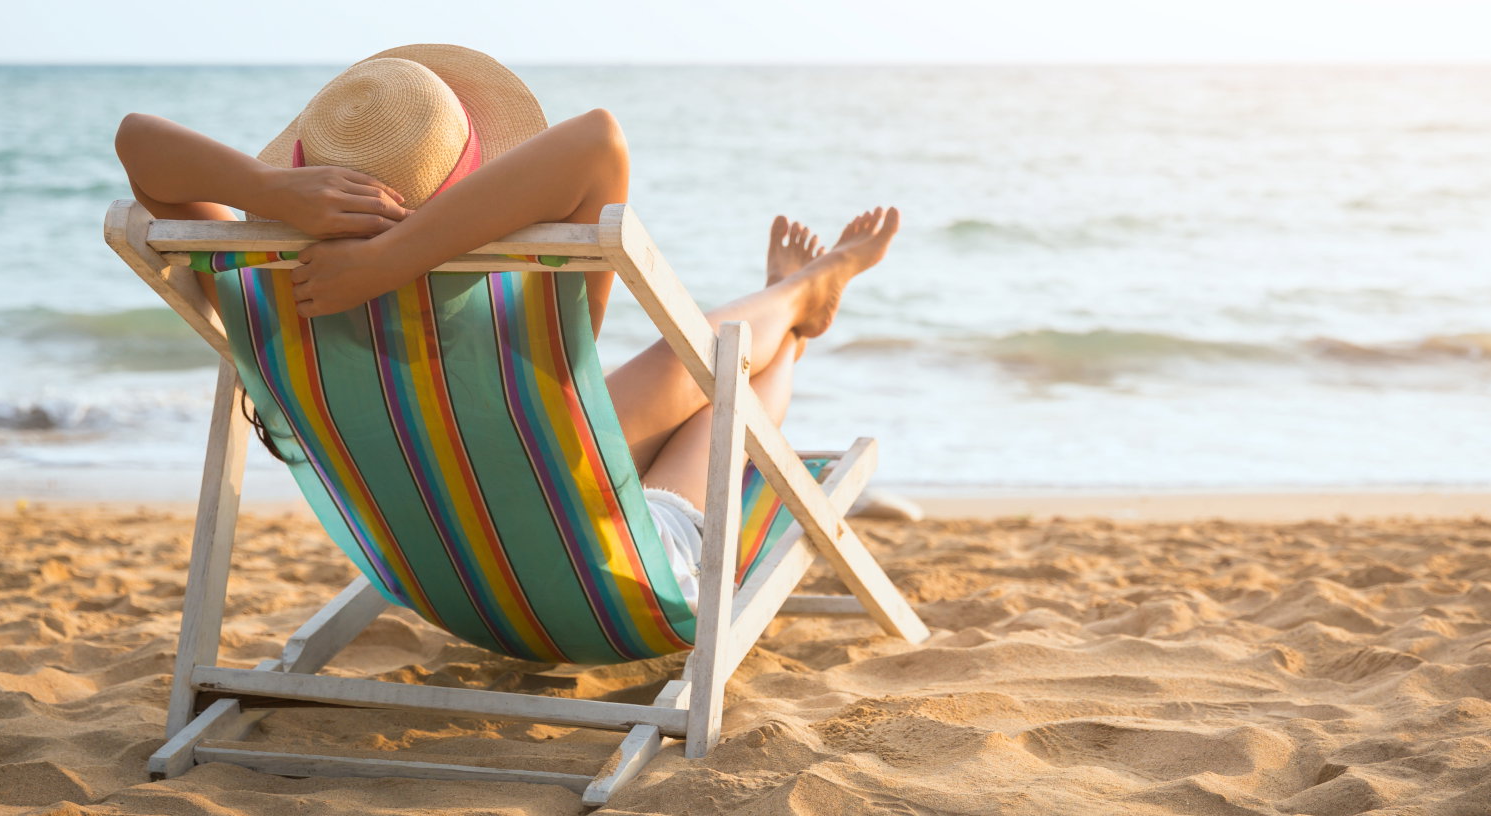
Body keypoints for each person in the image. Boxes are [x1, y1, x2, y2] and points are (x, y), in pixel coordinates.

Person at [114, 43, 902, 607]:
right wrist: (398, 259)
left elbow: (138, 144)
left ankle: (799, 293)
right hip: (603, 570)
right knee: (729, 374)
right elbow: (599, 140)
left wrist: (270, 194)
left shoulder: (265, 297)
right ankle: (800, 306)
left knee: (685, 365)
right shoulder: (509, 319)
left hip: (441, 568)